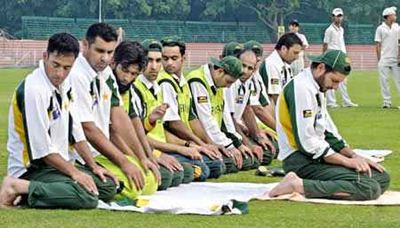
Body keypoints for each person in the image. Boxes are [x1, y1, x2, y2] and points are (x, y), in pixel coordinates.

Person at [0, 33, 117, 209]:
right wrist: (76, 174)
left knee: (107, 186)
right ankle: (17, 186)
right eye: (55, 65)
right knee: (87, 197)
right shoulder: (34, 90)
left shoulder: (66, 84)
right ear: (45, 56)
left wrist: (93, 167)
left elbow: (76, 131)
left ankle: (42, 192)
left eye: (66, 68)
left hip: (57, 164)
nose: (59, 73)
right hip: (33, 169)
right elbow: (43, 151)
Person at [269, 50, 390, 200]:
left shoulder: (316, 87)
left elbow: (327, 131)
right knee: (368, 188)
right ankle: (297, 185)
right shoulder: (301, 88)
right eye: (334, 81)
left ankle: (312, 184)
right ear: (320, 68)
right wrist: (346, 161)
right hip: (300, 160)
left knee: (381, 177)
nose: (336, 87)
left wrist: (355, 156)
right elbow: (306, 142)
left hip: (316, 157)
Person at [69, 23, 159, 203]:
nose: (105, 58)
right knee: (131, 187)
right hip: (79, 155)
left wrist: (142, 158)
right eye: (100, 51)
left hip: (100, 152)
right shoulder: (77, 75)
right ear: (85, 45)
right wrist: (125, 162)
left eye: (109, 53)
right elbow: (88, 128)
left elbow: (119, 117)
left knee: (148, 180)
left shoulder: (106, 74)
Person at [111, 40, 187, 190]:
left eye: (158, 60)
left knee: (183, 172)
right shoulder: (114, 85)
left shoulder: (130, 88)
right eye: (125, 71)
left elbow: (135, 126)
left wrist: (147, 157)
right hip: (112, 151)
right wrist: (141, 158)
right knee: (161, 177)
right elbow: (113, 131)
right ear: (114, 63)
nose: (127, 77)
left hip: (143, 150)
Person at [158, 36, 225, 177]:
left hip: (186, 142)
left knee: (220, 162)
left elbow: (192, 118)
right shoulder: (165, 82)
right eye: (165, 58)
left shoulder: (182, 82)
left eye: (174, 58)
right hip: (173, 144)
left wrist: (207, 143)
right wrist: (197, 144)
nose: (169, 63)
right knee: (207, 168)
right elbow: (173, 124)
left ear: (183, 58)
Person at [187, 56, 256, 172]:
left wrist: (237, 144)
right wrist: (229, 146)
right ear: (219, 71)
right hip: (201, 139)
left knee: (248, 159)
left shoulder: (217, 82)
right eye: (228, 82)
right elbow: (207, 122)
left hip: (215, 139)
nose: (228, 86)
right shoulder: (198, 81)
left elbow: (225, 118)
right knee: (225, 163)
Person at [228, 48, 276, 166]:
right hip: (227, 132)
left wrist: (258, 136)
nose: (245, 71)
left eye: (250, 68)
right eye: (243, 65)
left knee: (268, 151)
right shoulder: (230, 83)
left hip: (236, 129)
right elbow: (229, 118)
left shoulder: (249, 82)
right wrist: (247, 144)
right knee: (251, 159)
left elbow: (247, 109)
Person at [323, 8, 358, 108]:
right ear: (332, 17)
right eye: (336, 16)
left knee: (344, 80)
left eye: (339, 16)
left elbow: (342, 45)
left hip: (342, 57)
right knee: (331, 79)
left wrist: (347, 58)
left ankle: (346, 101)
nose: (338, 18)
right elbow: (325, 44)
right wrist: (325, 58)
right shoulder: (329, 30)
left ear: (342, 17)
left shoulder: (341, 29)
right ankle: (331, 102)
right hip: (332, 57)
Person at [259, 33, 303, 105]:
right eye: (295, 53)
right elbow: (276, 97)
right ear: (283, 49)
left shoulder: (285, 64)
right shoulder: (272, 65)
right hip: (269, 109)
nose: (297, 57)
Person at [375, 6, 400, 109]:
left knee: (399, 80)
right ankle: (387, 102)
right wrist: (379, 59)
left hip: (395, 59)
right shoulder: (380, 29)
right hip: (384, 59)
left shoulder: (397, 27)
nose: (395, 16)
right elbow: (378, 44)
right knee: (384, 81)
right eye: (394, 14)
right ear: (388, 16)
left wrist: (399, 56)